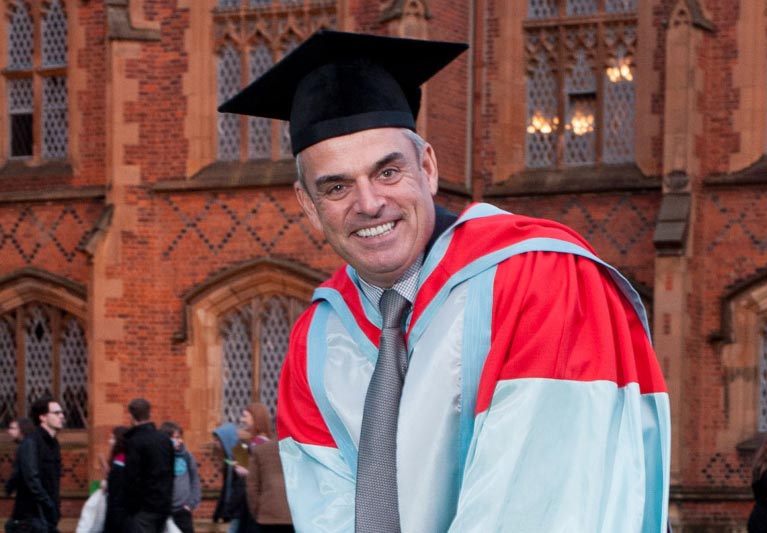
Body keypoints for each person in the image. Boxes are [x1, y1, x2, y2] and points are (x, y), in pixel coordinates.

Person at [220, 30, 671, 531]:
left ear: (428, 168)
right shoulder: (317, 339)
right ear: (308, 206)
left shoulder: (538, 278)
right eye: (337, 186)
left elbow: (538, 504)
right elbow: (326, 511)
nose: (368, 203)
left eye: (388, 172)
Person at [8, 396, 64, 532]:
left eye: (61, 412)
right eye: (56, 413)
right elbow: (31, 479)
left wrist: (54, 508)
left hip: (47, 518)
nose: (61, 416)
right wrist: (48, 504)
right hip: (31, 519)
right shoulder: (31, 442)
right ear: (43, 417)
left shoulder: (54, 443)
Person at [237, 404, 292, 533]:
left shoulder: (260, 447)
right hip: (291, 515)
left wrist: (257, 510)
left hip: (267, 513)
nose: (241, 420)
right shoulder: (304, 451)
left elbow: (252, 485)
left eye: (245, 416)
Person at [122, 398, 174, 533]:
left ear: (131, 416)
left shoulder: (134, 441)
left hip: (143, 508)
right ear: (150, 414)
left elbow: (132, 478)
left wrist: (131, 506)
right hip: (163, 503)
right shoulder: (164, 438)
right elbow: (170, 471)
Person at [159, 422, 201, 533]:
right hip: (164, 510)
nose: (179, 441)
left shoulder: (187, 456)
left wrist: (190, 504)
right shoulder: (159, 457)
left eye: (180, 437)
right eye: (175, 438)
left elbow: (195, 480)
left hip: (183, 509)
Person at [212, 423, 247, 533]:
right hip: (235, 509)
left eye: (218, 440)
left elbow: (240, 485)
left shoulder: (240, 455)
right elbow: (226, 488)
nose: (216, 443)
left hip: (240, 509)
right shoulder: (229, 459)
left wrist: (228, 509)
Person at [102, 426, 130, 533]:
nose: (110, 441)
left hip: (118, 513)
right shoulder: (121, 459)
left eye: (113, 438)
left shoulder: (120, 462)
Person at [4, 417, 35, 497]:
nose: (9, 431)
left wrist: (9, 487)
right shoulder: (27, 444)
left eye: (13, 428)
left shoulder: (26, 446)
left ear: (22, 429)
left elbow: (20, 471)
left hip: (27, 494)